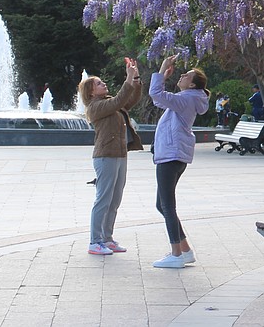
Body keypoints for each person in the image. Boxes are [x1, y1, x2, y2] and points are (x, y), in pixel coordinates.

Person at [148, 55, 210, 269]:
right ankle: (185, 250)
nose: (182, 76)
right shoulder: (189, 97)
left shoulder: (187, 98)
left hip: (171, 155)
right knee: (162, 204)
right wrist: (163, 78)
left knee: (167, 205)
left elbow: (155, 93)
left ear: (192, 84)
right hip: (175, 154)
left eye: (186, 75)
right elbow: (159, 100)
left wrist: (163, 66)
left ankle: (176, 253)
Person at [82, 59, 143, 256]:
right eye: (99, 83)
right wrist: (128, 78)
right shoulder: (95, 106)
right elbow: (119, 100)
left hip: (120, 155)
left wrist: (136, 78)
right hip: (105, 156)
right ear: (91, 92)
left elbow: (130, 100)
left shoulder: (111, 105)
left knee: (115, 199)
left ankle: (107, 238)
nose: (104, 84)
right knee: (103, 199)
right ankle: (95, 241)